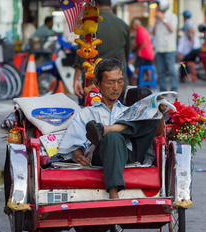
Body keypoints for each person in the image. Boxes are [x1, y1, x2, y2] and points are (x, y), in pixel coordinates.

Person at [58, 58, 165, 199]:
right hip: (101, 155)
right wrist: (78, 156)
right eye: (110, 82)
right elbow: (74, 143)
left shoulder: (130, 110)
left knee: (148, 117)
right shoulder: (87, 113)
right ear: (97, 84)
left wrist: (160, 112)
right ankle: (114, 192)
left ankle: (107, 129)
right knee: (113, 137)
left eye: (120, 81)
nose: (116, 87)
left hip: (130, 153)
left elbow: (156, 133)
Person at [73, 0, 130, 106]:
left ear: (94, 4)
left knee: (93, 119)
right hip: (119, 83)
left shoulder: (89, 25)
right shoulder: (123, 24)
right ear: (111, 4)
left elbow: (82, 54)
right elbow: (126, 54)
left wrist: (76, 79)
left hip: (96, 84)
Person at [151, 0, 179, 92]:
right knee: (161, 71)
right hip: (159, 48)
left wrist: (163, 19)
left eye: (158, 5)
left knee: (171, 70)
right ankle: (163, 90)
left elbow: (172, 29)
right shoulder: (156, 18)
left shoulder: (172, 16)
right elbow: (153, 33)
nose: (157, 7)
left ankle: (174, 88)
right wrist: (156, 22)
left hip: (169, 48)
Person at [130, 18, 154, 86]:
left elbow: (143, 42)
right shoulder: (144, 29)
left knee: (137, 68)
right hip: (150, 53)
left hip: (144, 53)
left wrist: (139, 51)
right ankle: (150, 84)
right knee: (148, 69)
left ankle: (134, 83)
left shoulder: (139, 30)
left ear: (135, 25)